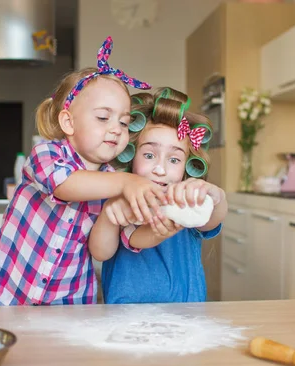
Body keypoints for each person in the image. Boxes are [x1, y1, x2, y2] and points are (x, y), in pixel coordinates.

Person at [0, 36, 167, 306]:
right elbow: (65, 185)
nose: (116, 129)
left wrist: (163, 227)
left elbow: (102, 251)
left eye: (124, 122)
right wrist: (124, 181)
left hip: (66, 299)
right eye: (103, 117)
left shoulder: (115, 182)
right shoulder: (46, 154)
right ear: (68, 121)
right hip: (9, 285)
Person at [89, 87, 227, 304]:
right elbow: (101, 252)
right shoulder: (121, 200)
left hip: (186, 315)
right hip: (125, 315)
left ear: (186, 167)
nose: (160, 169)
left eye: (174, 160)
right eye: (149, 155)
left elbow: (212, 219)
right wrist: (108, 215)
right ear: (132, 156)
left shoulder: (188, 201)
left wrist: (213, 195)